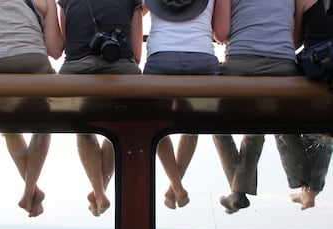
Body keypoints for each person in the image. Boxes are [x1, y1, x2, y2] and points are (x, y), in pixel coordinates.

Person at [0, 0, 64, 217]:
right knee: (43, 123)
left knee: (8, 125)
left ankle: (32, 192)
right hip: (32, 60)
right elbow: (55, 50)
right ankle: (30, 190)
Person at [58, 0, 143, 216]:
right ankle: (99, 192)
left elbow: (67, 43)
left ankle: (99, 193)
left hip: (77, 66)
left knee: (83, 127)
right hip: (121, 65)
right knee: (116, 127)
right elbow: (137, 54)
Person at [212, 0, 297, 214]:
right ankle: (237, 193)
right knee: (256, 120)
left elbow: (221, 34)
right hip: (283, 65)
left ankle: (238, 192)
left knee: (213, 118)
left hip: (241, 62)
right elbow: (295, 41)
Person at [143, 0, 228, 209]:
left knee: (155, 124)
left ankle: (177, 187)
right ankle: (175, 188)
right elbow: (221, 33)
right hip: (202, 61)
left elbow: (137, 10)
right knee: (192, 122)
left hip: (160, 59)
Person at [275, 0, 333, 210]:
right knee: (324, 131)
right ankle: (310, 191)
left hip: (317, 68)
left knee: (280, 120)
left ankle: (303, 187)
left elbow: (294, 41)